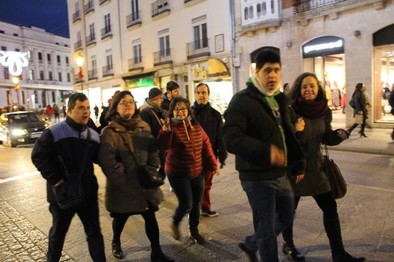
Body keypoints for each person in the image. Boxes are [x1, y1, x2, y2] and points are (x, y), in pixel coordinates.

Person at [222, 49, 305, 262]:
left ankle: (251, 243)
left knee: (287, 215)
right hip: (257, 176)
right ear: (256, 71)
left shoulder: (280, 99)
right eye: (267, 70)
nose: (273, 75)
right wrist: (266, 152)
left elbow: (286, 133)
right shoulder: (242, 101)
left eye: (276, 70)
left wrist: (298, 163)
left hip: (281, 173)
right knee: (267, 231)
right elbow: (231, 139)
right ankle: (260, 244)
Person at [283, 72, 365, 262]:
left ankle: (339, 253)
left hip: (317, 169)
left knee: (330, 208)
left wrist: (338, 135)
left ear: (318, 88)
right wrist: (296, 131)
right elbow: (287, 140)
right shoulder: (291, 109)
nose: (308, 89)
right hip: (296, 170)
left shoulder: (323, 111)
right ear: (298, 90)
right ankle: (289, 247)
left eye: (312, 85)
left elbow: (325, 136)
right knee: (289, 211)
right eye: (304, 86)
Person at [97, 90, 173, 262]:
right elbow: (107, 161)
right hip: (122, 186)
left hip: (143, 184)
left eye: (130, 101)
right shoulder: (109, 132)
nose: (128, 105)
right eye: (123, 102)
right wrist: (121, 180)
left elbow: (152, 151)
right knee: (121, 217)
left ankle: (156, 251)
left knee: (150, 216)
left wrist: (152, 169)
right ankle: (116, 241)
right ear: (115, 107)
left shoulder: (142, 126)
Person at [31, 93, 106, 262]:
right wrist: (56, 180)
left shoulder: (93, 135)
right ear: (69, 110)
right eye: (81, 108)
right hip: (62, 194)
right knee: (58, 234)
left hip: (87, 193)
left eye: (87, 108)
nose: (86, 112)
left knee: (94, 233)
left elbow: (101, 158)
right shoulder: (54, 132)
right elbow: (38, 156)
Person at [157, 96, 218, 244]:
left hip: (197, 171)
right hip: (177, 173)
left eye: (183, 109)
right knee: (187, 204)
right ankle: (175, 223)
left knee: (196, 203)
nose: (180, 112)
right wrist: (165, 132)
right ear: (172, 112)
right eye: (177, 110)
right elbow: (162, 146)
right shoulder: (169, 127)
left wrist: (213, 165)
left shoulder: (195, 125)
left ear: (188, 110)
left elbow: (206, 145)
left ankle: (194, 231)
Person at [192, 82, 227, 217]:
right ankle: (194, 209)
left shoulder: (215, 115)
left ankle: (205, 208)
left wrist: (222, 155)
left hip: (209, 155)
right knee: (194, 184)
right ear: (195, 94)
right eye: (198, 93)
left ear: (208, 94)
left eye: (204, 92)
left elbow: (220, 137)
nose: (201, 95)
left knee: (206, 184)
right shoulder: (189, 113)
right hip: (192, 156)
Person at [140, 87, 168, 179]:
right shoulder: (145, 112)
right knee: (158, 172)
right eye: (159, 98)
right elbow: (147, 131)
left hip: (160, 146)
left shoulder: (158, 110)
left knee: (163, 169)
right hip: (155, 148)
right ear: (153, 99)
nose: (161, 100)